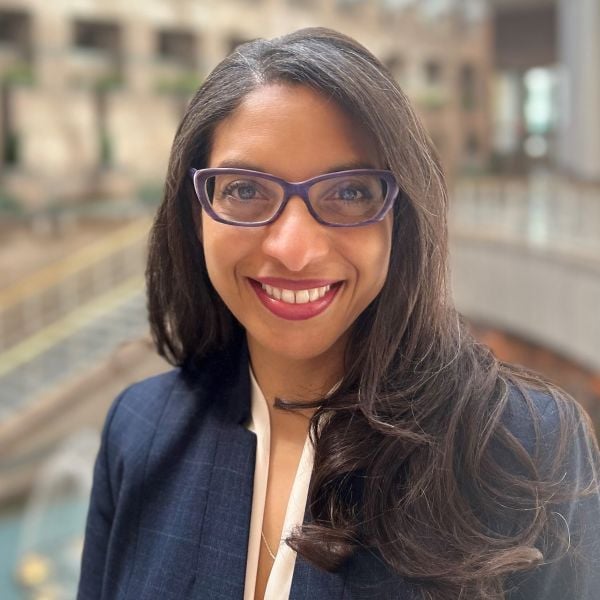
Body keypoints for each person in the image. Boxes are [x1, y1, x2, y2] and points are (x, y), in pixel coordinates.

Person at [77, 28, 600, 600]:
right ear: (194, 211)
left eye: (349, 193)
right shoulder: (141, 430)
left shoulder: (525, 449)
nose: (294, 250)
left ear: (402, 216)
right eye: (246, 190)